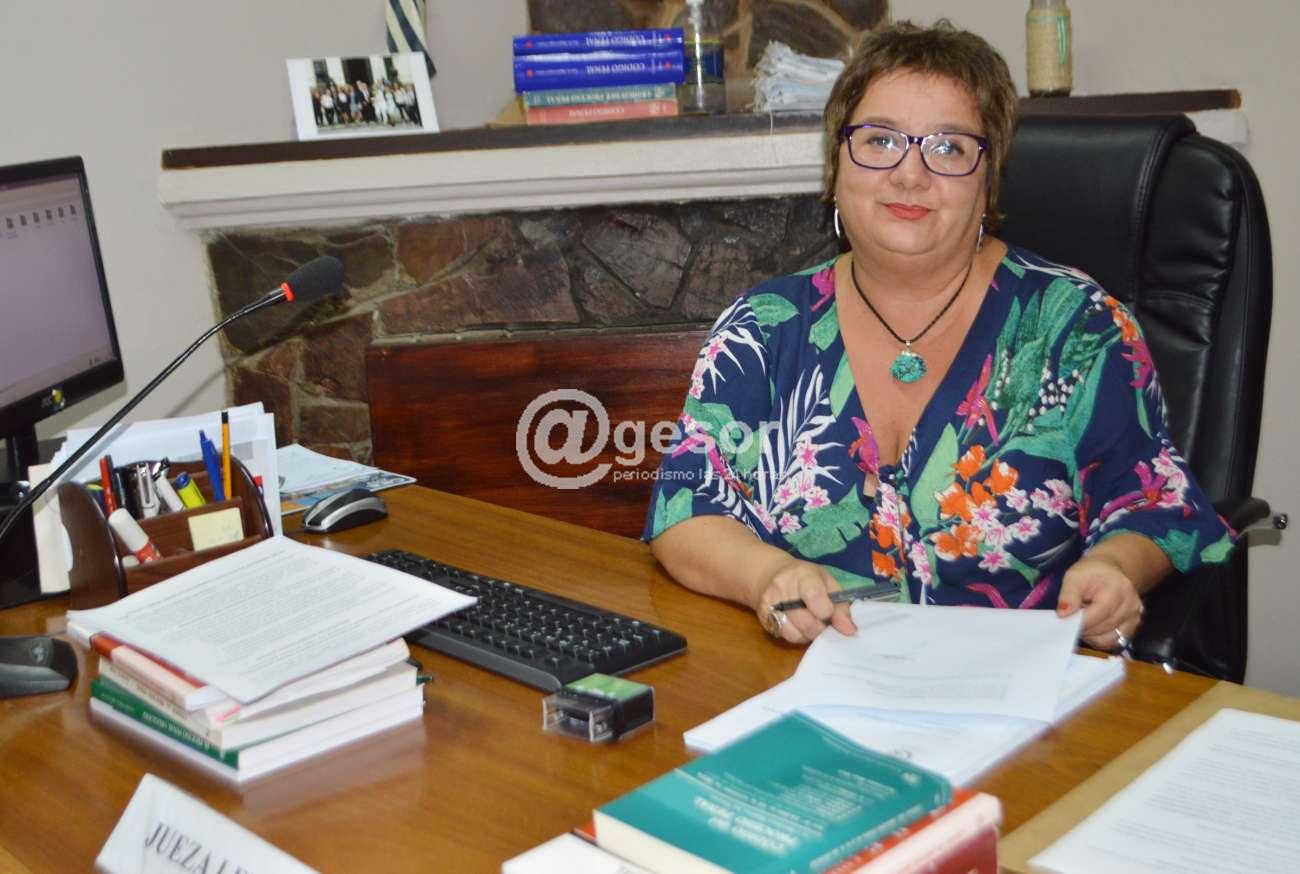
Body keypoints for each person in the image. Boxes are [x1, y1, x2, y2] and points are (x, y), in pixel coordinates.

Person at [643, 20, 1234, 653]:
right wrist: (767, 575)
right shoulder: (763, 328)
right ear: (836, 166)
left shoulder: (1077, 326)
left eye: (948, 148)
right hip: (810, 680)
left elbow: (1153, 504)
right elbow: (686, 510)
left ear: (989, 178)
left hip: (1019, 685)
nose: (910, 175)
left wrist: (1115, 570)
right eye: (880, 140)